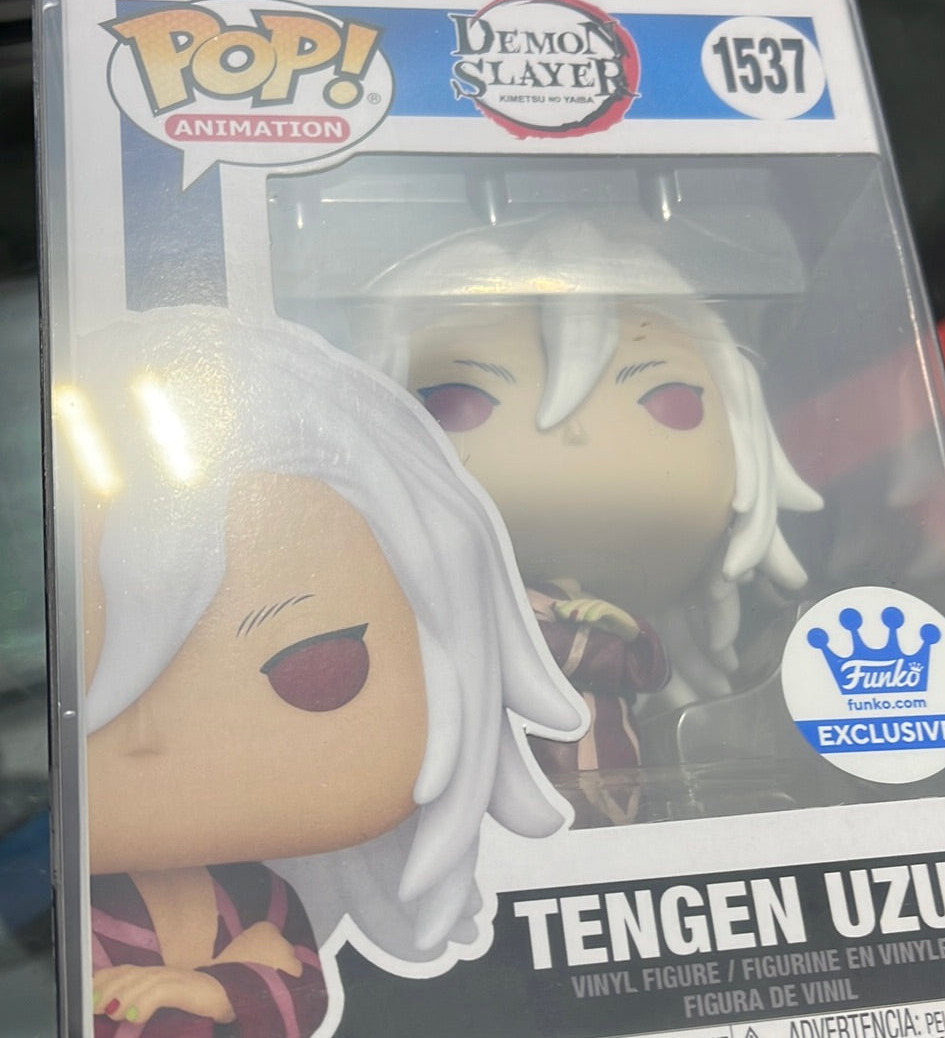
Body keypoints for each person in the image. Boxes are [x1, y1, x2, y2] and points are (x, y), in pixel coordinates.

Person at [58, 309, 587, 1035]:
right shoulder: (53, 913)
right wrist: (221, 983)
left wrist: (218, 991)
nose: (146, 734)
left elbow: (300, 991)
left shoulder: (261, 895)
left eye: (314, 668)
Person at [364, 216, 822, 822]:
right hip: (495, 781)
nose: (575, 433)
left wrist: (616, 628)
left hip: (616, 767)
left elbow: (645, 668)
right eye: (461, 403)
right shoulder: (477, 629)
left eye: (669, 402)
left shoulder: (621, 629)